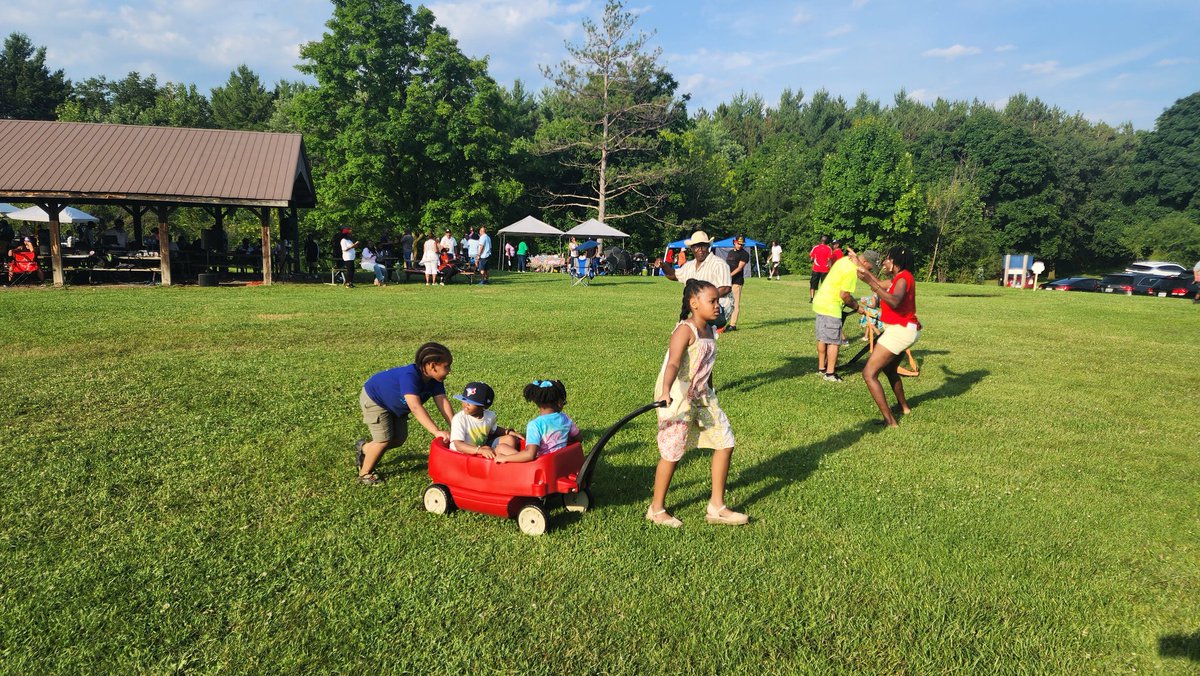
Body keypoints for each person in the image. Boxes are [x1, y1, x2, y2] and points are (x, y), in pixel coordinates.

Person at [648, 279, 747, 527]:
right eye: (712, 301)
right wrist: (665, 391)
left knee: (725, 442)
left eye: (718, 301)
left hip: (703, 397)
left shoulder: (710, 330)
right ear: (694, 304)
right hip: (678, 398)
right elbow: (672, 363)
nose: (718, 306)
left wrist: (711, 391)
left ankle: (717, 506)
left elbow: (706, 365)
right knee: (672, 453)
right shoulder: (685, 330)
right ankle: (656, 508)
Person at [355, 342, 454, 484]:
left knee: (398, 439)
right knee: (383, 440)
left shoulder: (435, 380)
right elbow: (415, 407)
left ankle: (364, 448)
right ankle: (364, 473)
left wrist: (455, 425)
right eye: (447, 366)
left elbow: (442, 401)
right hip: (375, 399)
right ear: (432, 366)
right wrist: (436, 431)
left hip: (394, 406)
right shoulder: (410, 376)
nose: (449, 370)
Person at [856, 246, 920, 428]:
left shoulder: (903, 278)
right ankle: (904, 408)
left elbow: (894, 300)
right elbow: (873, 281)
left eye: (887, 259)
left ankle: (890, 421)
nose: (884, 262)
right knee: (890, 370)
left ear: (895, 262)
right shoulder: (899, 278)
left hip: (900, 331)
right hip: (905, 330)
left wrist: (872, 283)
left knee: (869, 373)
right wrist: (859, 265)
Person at [813, 249, 880, 382]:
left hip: (820, 302)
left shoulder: (844, 260)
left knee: (822, 338)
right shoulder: (851, 271)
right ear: (865, 262)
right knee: (834, 342)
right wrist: (857, 307)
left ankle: (821, 368)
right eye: (870, 268)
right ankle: (830, 373)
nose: (869, 270)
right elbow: (844, 295)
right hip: (831, 306)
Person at [656, 230, 733, 329]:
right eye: (696, 246)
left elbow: (726, 288)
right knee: (689, 329)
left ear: (708, 247)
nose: (700, 249)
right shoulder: (689, 266)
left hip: (719, 308)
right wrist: (663, 265)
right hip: (700, 309)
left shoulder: (719, 264)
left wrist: (703, 298)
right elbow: (674, 275)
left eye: (703, 246)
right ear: (692, 248)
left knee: (693, 330)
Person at [495, 379, 580, 463]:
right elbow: (578, 437)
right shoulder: (565, 418)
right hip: (560, 462)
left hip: (541, 465)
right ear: (559, 402)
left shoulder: (535, 424)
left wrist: (504, 458)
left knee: (500, 448)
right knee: (502, 447)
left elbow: (530, 455)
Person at [448, 381, 521, 458]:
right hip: (461, 454)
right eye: (464, 399)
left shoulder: (490, 416)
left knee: (510, 439)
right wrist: (480, 450)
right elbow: (458, 445)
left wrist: (508, 432)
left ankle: (510, 460)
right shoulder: (459, 419)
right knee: (490, 448)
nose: (466, 404)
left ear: (484, 406)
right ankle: (513, 460)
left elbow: (494, 430)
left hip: (482, 448)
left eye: (471, 402)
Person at [725, 235, 751, 331]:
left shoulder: (744, 254)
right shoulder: (731, 252)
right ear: (734, 242)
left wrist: (730, 275)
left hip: (737, 281)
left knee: (735, 303)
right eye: (738, 243)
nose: (740, 245)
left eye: (741, 244)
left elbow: (740, 268)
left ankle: (733, 325)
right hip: (728, 281)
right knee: (726, 302)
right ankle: (723, 322)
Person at [809, 235, 832, 302]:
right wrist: (830, 268)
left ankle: (812, 298)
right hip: (825, 269)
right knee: (824, 285)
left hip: (816, 269)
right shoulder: (828, 248)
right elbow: (829, 260)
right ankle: (823, 298)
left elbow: (811, 258)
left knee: (813, 284)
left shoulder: (815, 248)